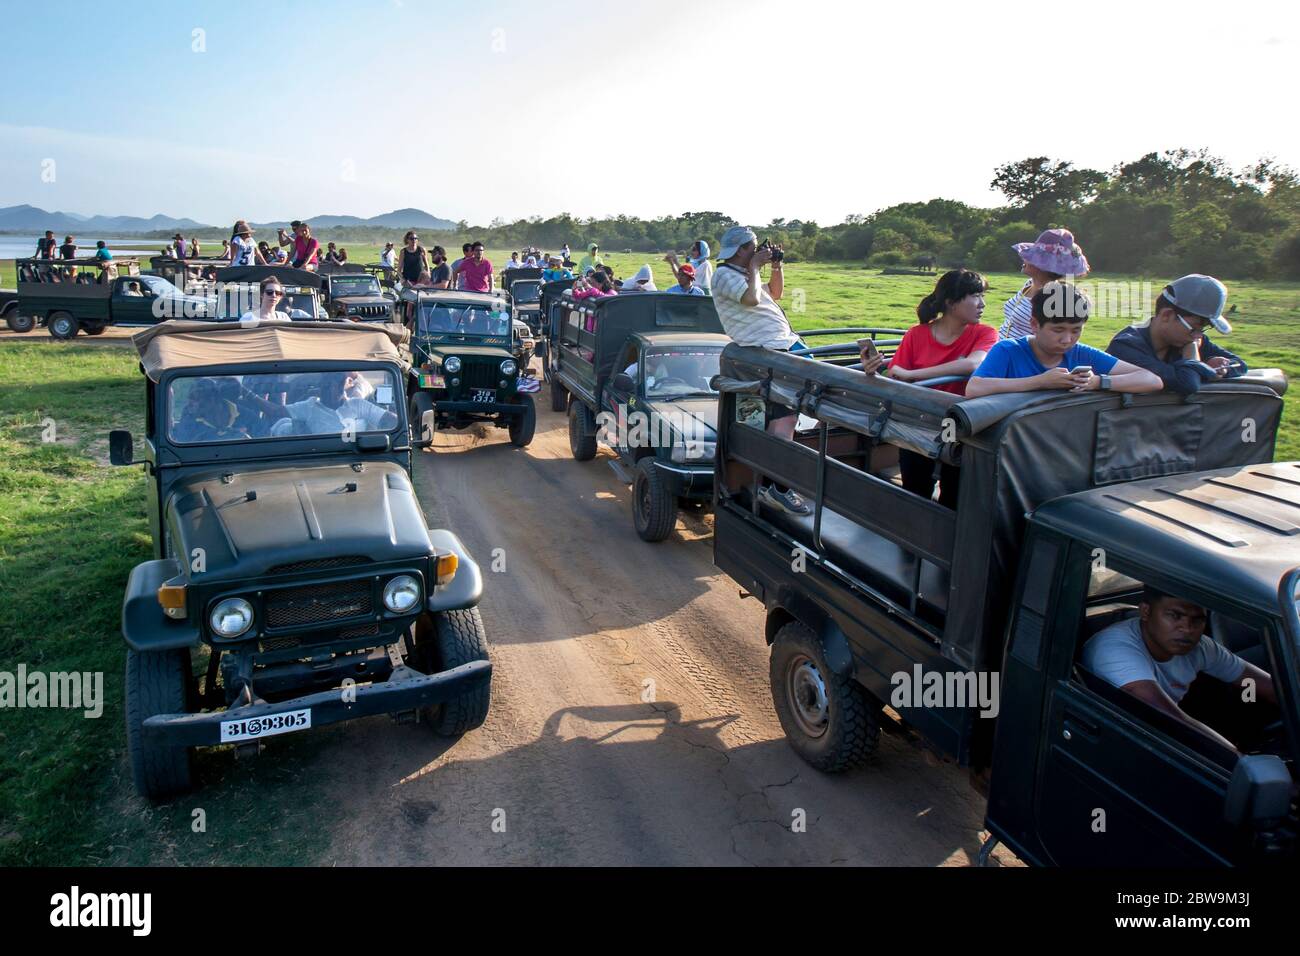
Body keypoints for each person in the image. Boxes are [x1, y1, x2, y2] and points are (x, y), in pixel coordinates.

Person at [861, 269, 997, 508]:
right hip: (919, 423)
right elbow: (895, 376)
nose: (982, 304)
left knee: (954, 494)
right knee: (914, 490)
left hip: (961, 428)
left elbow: (973, 364)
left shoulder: (985, 332)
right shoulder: (917, 334)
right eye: (975, 296)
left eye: (982, 296)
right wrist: (874, 368)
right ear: (951, 301)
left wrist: (914, 374)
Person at [1082, 587, 1276, 755]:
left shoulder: (1201, 648)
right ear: (1145, 612)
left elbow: (1263, 684)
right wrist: (1244, 764)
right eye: (1175, 616)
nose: (1187, 628)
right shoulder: (1115, 648)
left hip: (1161, 733)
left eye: (1197, 620)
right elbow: (1167, 717)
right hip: (1114, 740)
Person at [711, 225, 810, 515]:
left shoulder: (745, 275)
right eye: (754, 247)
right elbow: (751, 299)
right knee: (785, 420)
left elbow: (774, 294)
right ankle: (778, 487)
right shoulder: (724, 275)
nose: (758, 251)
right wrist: (755, 267)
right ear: (741, 250)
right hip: (771, 352)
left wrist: (776, 266)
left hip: (785, 346)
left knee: (787, 418)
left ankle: (773, 485)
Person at [965, 282, 1162, 398]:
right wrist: (1040, 382)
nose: (1067, 339)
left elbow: (1152, 380)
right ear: (1035, 324)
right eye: (1058, 330)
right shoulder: (1008, 350)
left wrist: (1097, 382)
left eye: (1076, 330)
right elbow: (974, 388)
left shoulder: (1083, 354)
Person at [1106, 274, 1247, 395]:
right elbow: (1188, 384)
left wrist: (1215, 366)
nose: (1198, 336)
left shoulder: (1187, 337)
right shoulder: (1126, 347)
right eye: (1195, 328)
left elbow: (1239, 365)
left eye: (1202, 330)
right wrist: (1195, 358)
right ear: (1167, 315)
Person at [997, 228, 1089, 340]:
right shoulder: (1030, 283)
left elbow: (1054, 337)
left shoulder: (1053, 297)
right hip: (1001, 350)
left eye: (1032, 257)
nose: (1024, 258)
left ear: (1043, 264)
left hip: (1022, 355)